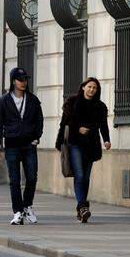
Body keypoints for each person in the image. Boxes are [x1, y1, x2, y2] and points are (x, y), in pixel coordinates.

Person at [0, 67, 44, 226]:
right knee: (14, 180)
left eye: (25, 80)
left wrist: (37, 137)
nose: (23, 82)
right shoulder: (4, 100)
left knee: (32, 177)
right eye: (20, 79)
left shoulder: (33, 100)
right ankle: (17, 211)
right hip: (12, 145)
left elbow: (39, 120)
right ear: (13, 81)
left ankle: (27, 205)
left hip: (29, 144)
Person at [54, 77, 110, 223]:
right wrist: (63, 139)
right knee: (79, 174)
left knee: (85, 177)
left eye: (95, 88)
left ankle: (81, 209)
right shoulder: (72, 102)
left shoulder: (100, 106)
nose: (92, 90)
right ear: (83, 87)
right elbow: (64, 122)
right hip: (75, 142)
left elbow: (103, 125)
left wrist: (106, 140)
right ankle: (83, 206)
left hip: (91, 144)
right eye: (89, 87)